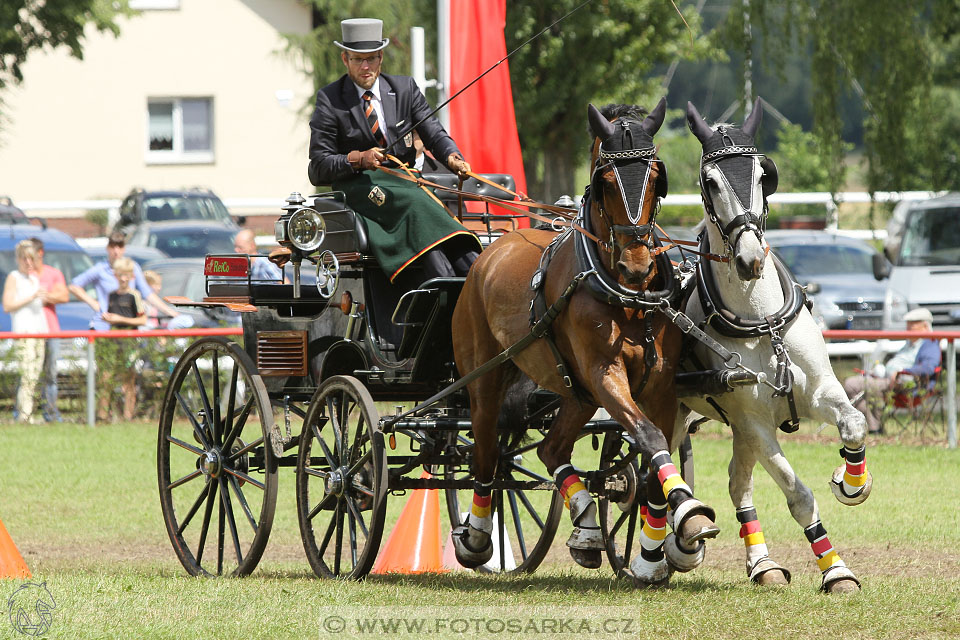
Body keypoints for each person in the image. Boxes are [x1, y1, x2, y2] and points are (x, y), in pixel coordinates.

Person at [307, 17, 481, 289]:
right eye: (357, 60)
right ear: (345, 59)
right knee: (415, 203)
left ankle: (475, 275)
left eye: (371, 59)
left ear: (381, 57)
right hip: (359, 186)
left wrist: (452, 158)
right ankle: (447, 286)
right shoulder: (330, 100)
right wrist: (359, 159)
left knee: (421, 201)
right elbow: (317, 167)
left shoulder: (404, 89)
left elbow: (433, 131)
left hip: (405, 182)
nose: (365, 67)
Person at [843, 308, 942, 434]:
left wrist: (903, 371)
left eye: (913, 323)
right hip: (887, 379)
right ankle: (865, 423)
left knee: (871, 386)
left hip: (907, 385)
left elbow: (929, 367)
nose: (908, 327)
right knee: (851, 384)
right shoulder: (910, 343)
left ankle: (875, 429)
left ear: (925, 326)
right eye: (908, 323)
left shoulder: (930, 344)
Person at [68, 231, 181, 331]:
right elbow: (74, 286)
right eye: (113, 246)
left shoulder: (132, 267)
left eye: (120, 246)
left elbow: (147, 294)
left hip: (127, 326)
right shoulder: (100, 269)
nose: (116, 251)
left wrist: (170, 312)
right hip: (104, 325)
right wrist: (95, 304)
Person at [2, 241, 49, 423]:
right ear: (18, 259)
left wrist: (42, 298)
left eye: (32, 258)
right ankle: (24, 415)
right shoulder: (14, 277)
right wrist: (32, 297)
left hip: (39, 333)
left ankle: (28, 412)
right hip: (23, 332)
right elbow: (8, 305)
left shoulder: (34, 279)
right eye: (25, 258)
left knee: (35, 376)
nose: (29, 262)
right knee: (27, 375)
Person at [99, 257, 147, 422]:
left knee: (128, 379)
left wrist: (119, 319)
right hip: (113, 341)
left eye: (127, 275)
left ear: (131, 276)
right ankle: (102, 415)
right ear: (116, 275)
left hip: (129, 342)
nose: (123, 278)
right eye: (120, 275)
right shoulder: (112, 295)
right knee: (106, 378)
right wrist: (108, 319)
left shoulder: (134, 295)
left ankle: (128, 416)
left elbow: (142, 320)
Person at [30, 237, 69, 422]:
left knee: (51, 374)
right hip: (29, 330)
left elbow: (64, 295)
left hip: (51, 330)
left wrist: (46, 296)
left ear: (40, 253)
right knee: (28, 373)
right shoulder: (23, 275)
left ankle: (51, 413)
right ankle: (23, 414)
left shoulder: (52, 273)